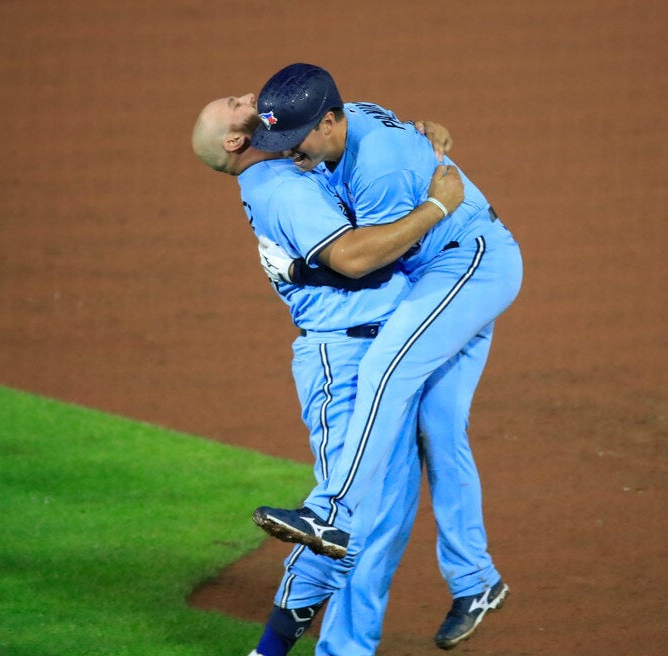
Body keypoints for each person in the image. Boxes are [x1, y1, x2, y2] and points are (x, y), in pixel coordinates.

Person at [191, 94, 495, 654]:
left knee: (379, 530)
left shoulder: (295, 159)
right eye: (236, 104)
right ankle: (271, 650)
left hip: (394, 349)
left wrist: (423, 136)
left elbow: (370, 136)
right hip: (346, 364)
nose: (249, 96)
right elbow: (355, 260)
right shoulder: (280, 189)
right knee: (342, 523)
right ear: (236, 142)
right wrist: (435, 206)